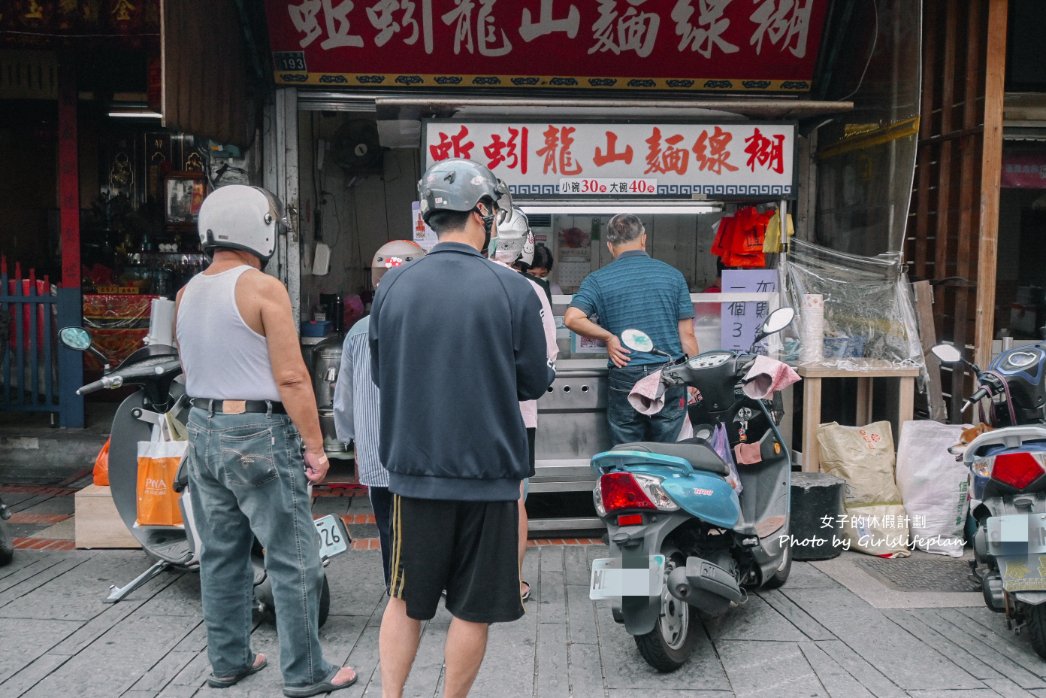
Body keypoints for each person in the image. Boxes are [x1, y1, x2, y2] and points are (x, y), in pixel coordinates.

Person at [371, 159, 555, 698]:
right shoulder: (514, 289)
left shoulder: (394, 285)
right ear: (482, 211)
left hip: (414, 474)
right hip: (491, 478)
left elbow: (385, 375)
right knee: (472, 610)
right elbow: (532, 383)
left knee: (404, 600)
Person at [175, 185, 357, 698]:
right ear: (259, 230)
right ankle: (306, 673)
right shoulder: (262, 288)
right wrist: (316, 447)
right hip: (257, 432)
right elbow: (294, 377)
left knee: (221, 553)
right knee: (293, 555)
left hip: (205, 429)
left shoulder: (188, 292)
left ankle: (229, 660)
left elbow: (189, 367)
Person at [332, 239, 426, 592]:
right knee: (425, 519)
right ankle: (427, 583)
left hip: (376, 449)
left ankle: (396, 587)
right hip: (425, 451)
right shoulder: (432, 325)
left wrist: (348, 440)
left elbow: (344, 398)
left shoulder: (358, 332)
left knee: (387, 523)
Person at [564, 213, 698, 445]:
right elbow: (687, 336)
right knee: (670, 451)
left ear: (609, 245)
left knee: (628, 450)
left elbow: (572, 318)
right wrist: (696, 379)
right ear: (643, 239)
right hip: (669, 374)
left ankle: (631, 480)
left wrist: (609, 337)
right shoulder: (673, 276)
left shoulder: (598, 280)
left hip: (625, 374)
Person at [490, 206, 559, 603]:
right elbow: (547, 357)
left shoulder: (467, 281)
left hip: (471, 414)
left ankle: (472, 579)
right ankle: (511, 585)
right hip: (518, 413)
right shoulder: (530, 291)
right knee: (514, 499)